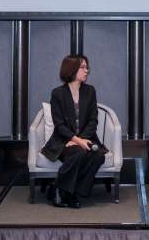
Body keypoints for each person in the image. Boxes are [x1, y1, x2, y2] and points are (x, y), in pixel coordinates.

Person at [41, 55, 107, 208]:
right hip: (63, 141)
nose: (87, 70)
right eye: (83, 67)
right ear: (71, 69)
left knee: (98, 156)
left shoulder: (90, 91)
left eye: (87, 67)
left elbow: (93, 120)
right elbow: (59, 125)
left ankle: (67, 190)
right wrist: (75, 141)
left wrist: (81, 140)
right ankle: (64, 192)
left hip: (86, 138)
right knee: (79, 153)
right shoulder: (57, 93)